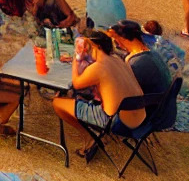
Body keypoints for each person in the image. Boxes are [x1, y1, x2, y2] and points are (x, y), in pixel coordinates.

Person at [52, 30, 147, 159]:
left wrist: (76, 58)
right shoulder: (116, 59)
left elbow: (77, 83)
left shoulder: (99, 67)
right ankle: (93, 133)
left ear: (96, 46)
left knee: (57, 103)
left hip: (115, 121)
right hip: (140, 116)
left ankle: (90, 136)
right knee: (87, 96)